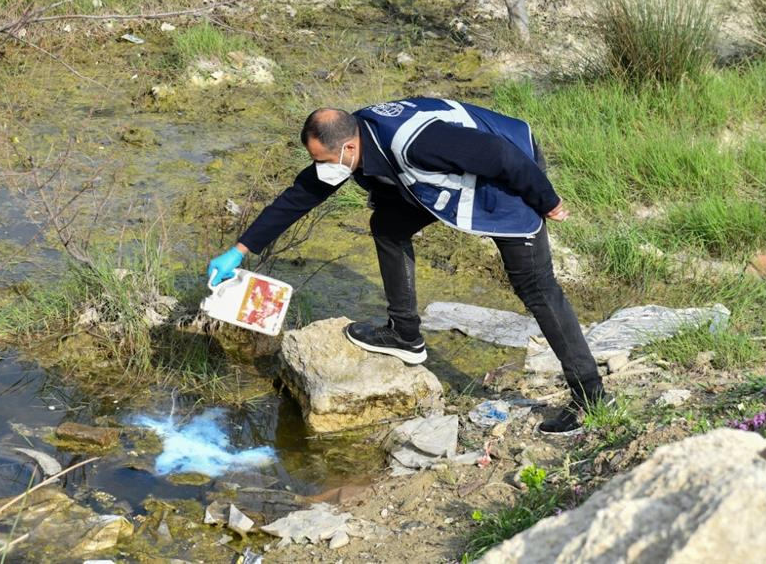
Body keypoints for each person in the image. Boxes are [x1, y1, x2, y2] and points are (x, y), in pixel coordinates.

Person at [206, 98, 606, 435]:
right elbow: (300, 195)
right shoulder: (355, 138)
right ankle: (405, 335)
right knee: (388, 224)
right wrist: (239, 250)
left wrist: (547, 200)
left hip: (511, 172)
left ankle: (590, 396)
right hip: (455, 172)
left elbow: (501, 156)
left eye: (324, 160)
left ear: (348, 147)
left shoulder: (416, 145)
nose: (322, 169)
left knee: (536, 288)